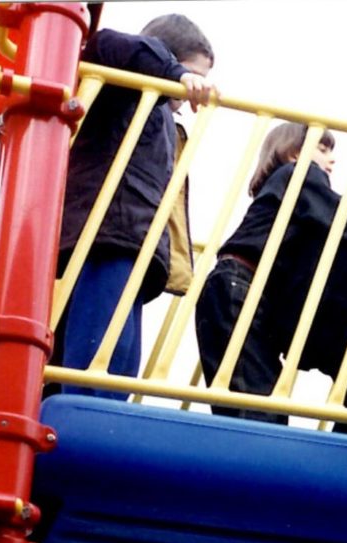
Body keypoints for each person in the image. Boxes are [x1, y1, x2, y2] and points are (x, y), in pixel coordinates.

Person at [53, 14, 218, 400]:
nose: (189, 92)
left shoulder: (161, 116)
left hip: (135, 244)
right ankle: (82, 416)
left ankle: (99, 419)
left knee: (122, 363)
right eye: (192, 74)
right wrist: (173, 73)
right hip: (107, 235)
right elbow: (109, 43)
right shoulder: (125, 88)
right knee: (96, 358)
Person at [194, 122, 347, 435]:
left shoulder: (289, 196)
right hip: (239, 286)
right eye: (323, 149)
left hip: (239, 288)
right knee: (257, 414)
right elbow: (346, 223)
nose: (331, 160)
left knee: (254, 408)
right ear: (294, 152)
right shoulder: (298, 174)